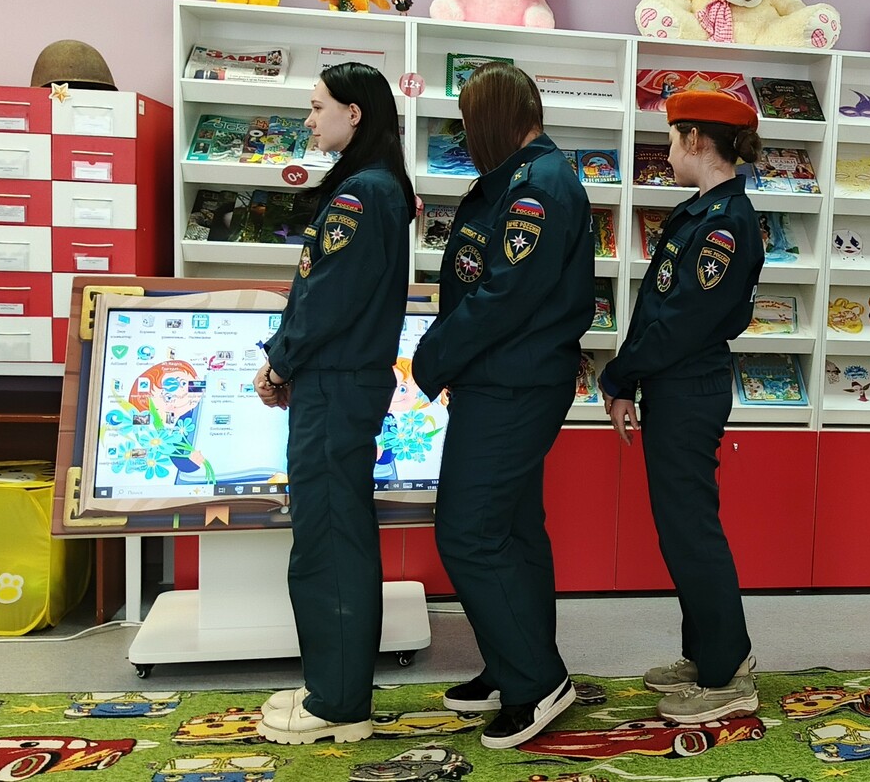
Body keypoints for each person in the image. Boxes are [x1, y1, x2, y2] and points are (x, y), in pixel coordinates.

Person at [409, 62, 594, 750]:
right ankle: (512, 661)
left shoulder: (537, 186)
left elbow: (504, 294)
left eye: (468, 122)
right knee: (512, 530)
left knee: (467, 531)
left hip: (511, 381)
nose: (465, 136)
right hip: (504, 376)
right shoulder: (519, 177)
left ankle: (536, 680)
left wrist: (432, 356)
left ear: (494, 120)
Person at [252, 61, 416, 745]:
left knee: (329, 540)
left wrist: (280, 359)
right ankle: (333, 685)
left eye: (318, 106)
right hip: (340, 381)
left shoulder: (363, 193)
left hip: (335, 384)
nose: (309, 118)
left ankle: (339, 703)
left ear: (355, 113)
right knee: (332, 533)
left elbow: (327, 297)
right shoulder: (374, 185)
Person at [597, 91, 766, 724]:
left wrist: (621, 373)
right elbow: (656, 308)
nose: (666, 153)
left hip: (689, 387)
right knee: (680, 529)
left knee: (692, 531)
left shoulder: (725, 223)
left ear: (696, 140)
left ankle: (727, 673)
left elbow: (684, 321)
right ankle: (706, 654)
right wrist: (627, 380)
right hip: (670, 383)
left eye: (671, 139)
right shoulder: (698, 212)